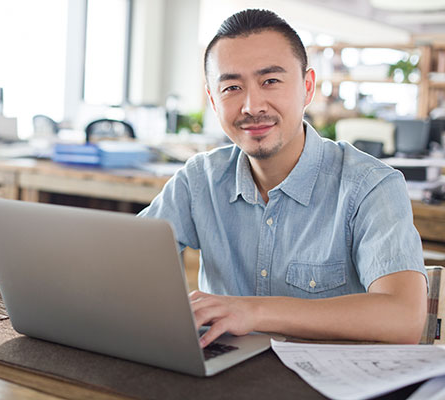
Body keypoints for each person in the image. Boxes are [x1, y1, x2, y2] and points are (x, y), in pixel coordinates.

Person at [138, 9, 427, 346]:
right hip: (223, 382)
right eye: (231, 87)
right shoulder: (199, 179)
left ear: (307, 87)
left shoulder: (371, 186)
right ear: (213, 101)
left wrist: (254, 312)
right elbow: (126, 268)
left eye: (270, 81)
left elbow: (403, 318)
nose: (251, 106)